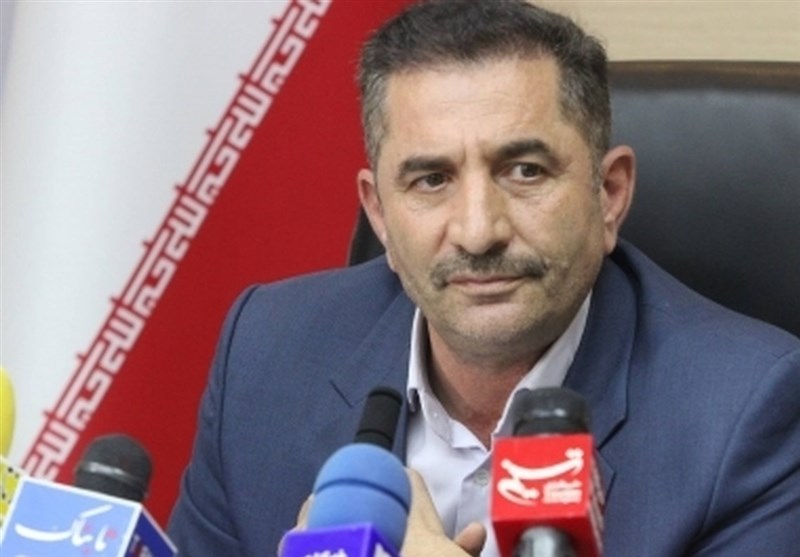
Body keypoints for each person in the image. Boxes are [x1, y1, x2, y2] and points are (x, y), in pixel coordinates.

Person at [167, 1, 800, 555]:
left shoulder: (746, 415)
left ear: (609, 195)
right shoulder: (265, 354)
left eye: (524, 171)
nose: (477, 231)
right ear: (379, 215)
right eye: (431, 180)